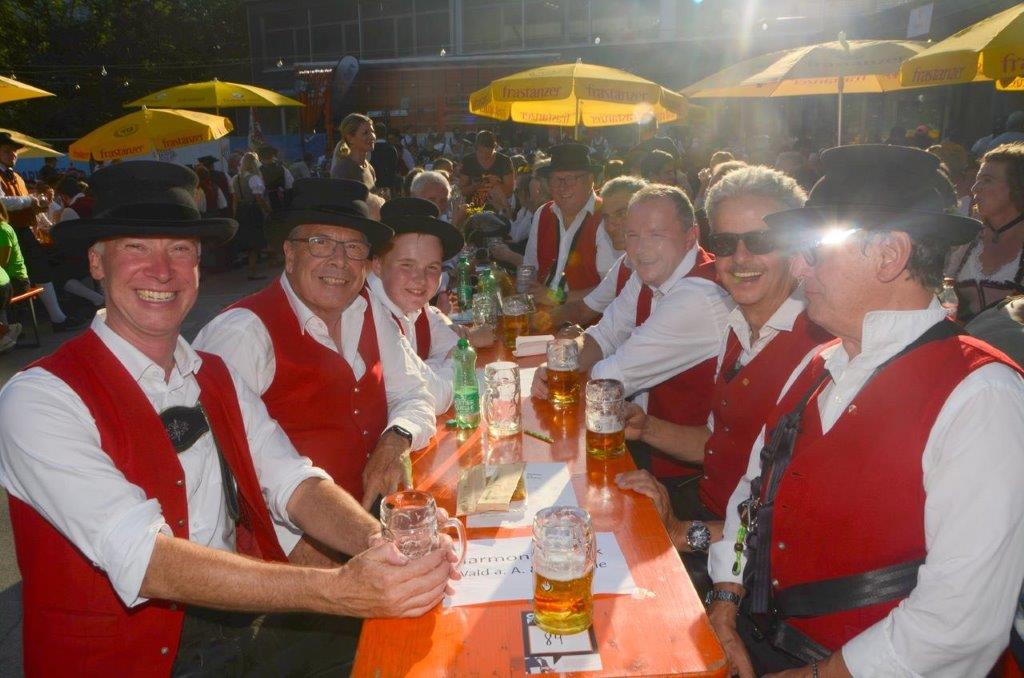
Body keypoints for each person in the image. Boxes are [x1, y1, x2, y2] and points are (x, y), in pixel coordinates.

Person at [0, 161, 459, 675]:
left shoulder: (212, 374)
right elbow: (144, 557)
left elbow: (294, 482)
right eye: (137, 248)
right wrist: (338, 589)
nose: (162, 271)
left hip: (234, 630)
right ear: (97, 262)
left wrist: (389, 545)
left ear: (198, 263)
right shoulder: (40, 398)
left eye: (180, 250)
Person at [706, 145, 1024, 677]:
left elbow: (958, 624)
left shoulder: (984, 396)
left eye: (815, 250)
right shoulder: (818, 363)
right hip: (761, 639)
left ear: (889, 254)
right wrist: (724, 599)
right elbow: (752, 499)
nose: (799, 266)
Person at [613, 166, 829, 596]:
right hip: (710, 516)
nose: (740, 258)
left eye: (761, 241)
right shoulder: (737, 325)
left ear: (796, 248)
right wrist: (647, 427)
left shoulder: (820, 349)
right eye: (726, 244)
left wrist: (681, 531)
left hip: (756, 573)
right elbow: (716, 443)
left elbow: (789, 526)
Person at [194, 178, 436, 519]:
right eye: (320, 243)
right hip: (297, 542)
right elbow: (214, 480)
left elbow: (414, 393)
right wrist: (304, 544)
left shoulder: (367, 308)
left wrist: (398, 436)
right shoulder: (242, 335)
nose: (340, 260)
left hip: (378, 521)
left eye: (354, 247)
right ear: (290, 254)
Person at [532, 184, 733, 512]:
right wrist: (561, 362)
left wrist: (564, 370)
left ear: (690, 236)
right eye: (633, 235)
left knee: (570, 505)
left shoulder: (699, 297)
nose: (640, 248)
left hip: (689, 481)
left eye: (656, 234)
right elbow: (604, 334)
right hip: (646, 450)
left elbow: (609, 379)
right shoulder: (648, 273)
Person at [369, 197, 465, 413]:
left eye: (432, 267)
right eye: (407, 265)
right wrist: (444, 367)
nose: (420, 279)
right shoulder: (369, 314)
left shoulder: (417, 306)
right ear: (378, 265)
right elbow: (435, 398)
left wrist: (428, 370)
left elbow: (459, 348)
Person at [553, 175, 647, 326]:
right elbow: (583, 310)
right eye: (606, 217)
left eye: (621, 213)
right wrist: (535, 320)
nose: (610, 226)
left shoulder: (674, 273)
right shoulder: (624, 265)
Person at [522, 144, 605, 305]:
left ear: (590, 180)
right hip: (542, 313)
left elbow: (611, 290)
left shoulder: (606, 217)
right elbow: (530, 267)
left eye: (571, 179)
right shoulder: (543, 213)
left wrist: (557, 298)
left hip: (584, 316)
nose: (562, 186)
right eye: (556, 179)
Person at [950, 143, 1024, 321]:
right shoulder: (969, 239)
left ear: (1017, 186)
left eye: (987, 180)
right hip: (960, 338)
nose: (975, 188)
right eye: (977, 179)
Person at [231, 151, 271, 280]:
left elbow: (235, 199)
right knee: (255, 240)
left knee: (248, 241)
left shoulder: (236, 178)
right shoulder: (254, 178)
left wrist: (234, 214)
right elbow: (258, 198)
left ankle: (252, 268)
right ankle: (253, 271)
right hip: (253, 210)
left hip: (241, 211)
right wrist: (267, 210)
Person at [459, 130, 514, 212]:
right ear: (476, 148)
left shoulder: (504, 161)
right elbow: (462, 191)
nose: (484, 156)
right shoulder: (468, 161)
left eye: (488, 154)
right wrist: (477, 186)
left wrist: (496, 184)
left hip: (498, 209)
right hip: (473, 209)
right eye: (481, 152)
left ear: (494, 148)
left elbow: (510, 192)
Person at [331, 113, 377, 189]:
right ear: (350, 138)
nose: (372, 137)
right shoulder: (342, 170)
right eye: (365, 133)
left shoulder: (369, 168)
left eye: (372, 132)